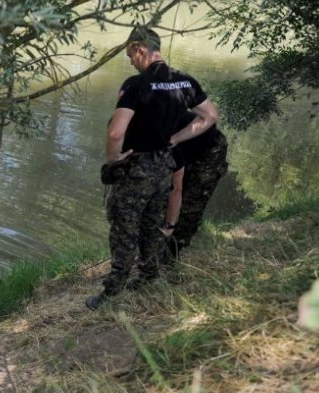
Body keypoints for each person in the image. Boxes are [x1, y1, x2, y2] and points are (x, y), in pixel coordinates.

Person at [86, 26, 219, 310]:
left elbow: (115, 133)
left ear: (139, 49)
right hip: (164, 165)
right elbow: (210, 116)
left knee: (123, 227)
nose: (131, 61)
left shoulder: (136, 85)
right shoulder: (185, 82)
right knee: (151, 222)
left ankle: (112, 292)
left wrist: (113, 160)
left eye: (129, 55)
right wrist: (176, 138)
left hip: (137, 168)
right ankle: (149, 276)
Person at [162, 111, 229, 261]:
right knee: (162, 201)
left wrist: (169, 225)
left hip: (209, 150)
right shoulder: (135, 129)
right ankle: (159, 247)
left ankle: (171, 256)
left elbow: (176, 188)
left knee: (191, 205)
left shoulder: (162, 135)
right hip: (184, 150)